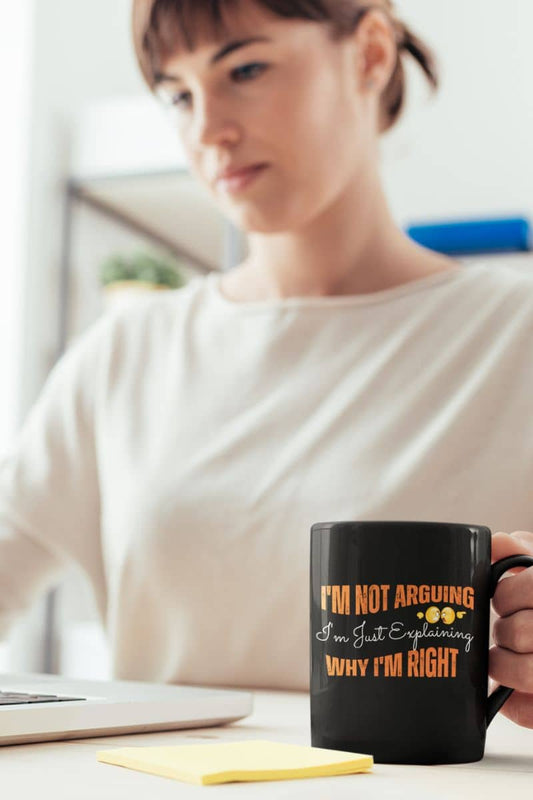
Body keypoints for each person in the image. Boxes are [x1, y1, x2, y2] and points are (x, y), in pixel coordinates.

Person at [0, 0, 532, 729]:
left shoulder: (515, 337)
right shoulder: (122, 355)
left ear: (370, 54)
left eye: (245, 68)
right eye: (179, 94)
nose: (206, 130)